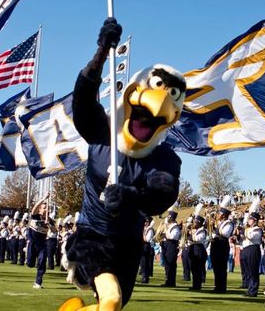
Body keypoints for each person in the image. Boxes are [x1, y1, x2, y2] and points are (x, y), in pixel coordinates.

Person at [59, 18, 185, 311]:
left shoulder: (164, 158)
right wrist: (102, 50)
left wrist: (129, 195)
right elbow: (83, 101)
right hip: (93, 235)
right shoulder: (103, 132)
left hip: (128, 244)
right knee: (112, 299)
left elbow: (161, 195)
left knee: (111, 306)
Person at [210, 197, 235, 293]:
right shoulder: (219, 223)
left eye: (219, 213)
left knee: (221, 267)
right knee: (216, 267)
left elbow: (225, 233)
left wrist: (214, 228)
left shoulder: (229, 223)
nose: (218, 215)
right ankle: (217, 286)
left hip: (222, 245)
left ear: (224, 215)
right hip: (215, 244)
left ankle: (222, 287)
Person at [27, 193, 50, 289]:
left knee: (42, 261)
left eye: (46, 208)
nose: (46, 209)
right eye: (44, 208)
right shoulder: (35, 216)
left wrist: (50, 225)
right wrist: (44, 198)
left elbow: (54, 230)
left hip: (42, 244)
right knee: (30, 264)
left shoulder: (49, 219)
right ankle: (28, 258)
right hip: (32, 243)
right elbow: (35, 207)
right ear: (40, 209)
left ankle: (38, 282)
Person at [162, 210, 182, 288]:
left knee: (171, 264)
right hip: (167, 244)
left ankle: (171, 281)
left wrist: (165, 234)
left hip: (172, 245)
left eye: (169, 217)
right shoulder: (169, 225)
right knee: (167, 264)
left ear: (172, 218)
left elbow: (173, 236)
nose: (167, 218)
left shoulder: (175, 226)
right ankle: (168, 280)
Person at [188, 215, 207, 291]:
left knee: (198, 268)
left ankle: (197, 286)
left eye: (195, 222)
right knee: (193, 269)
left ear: (199, 223)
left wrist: (189, 236)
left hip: (199, 249)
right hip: (193, 249)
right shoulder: (194, 230)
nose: (194, 223)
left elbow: (198, 239)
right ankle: (194, 285)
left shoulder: (202, 231)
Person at [139, 216, 154, 284]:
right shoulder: (144, 228)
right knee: (142, 263)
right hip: (141, 245)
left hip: (146, 246)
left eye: (146, 222)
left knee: (145, 263)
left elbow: (147, 239)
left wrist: (142, 235)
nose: (145, 223)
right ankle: (143, 277)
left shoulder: (149, 229)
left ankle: (145, 278)